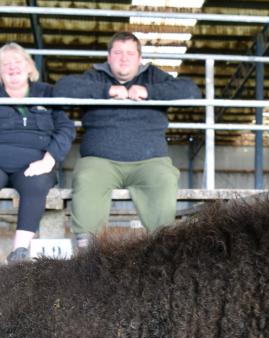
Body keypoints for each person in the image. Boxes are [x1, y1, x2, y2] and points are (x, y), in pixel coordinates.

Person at [53, 32, 201, 250]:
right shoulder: (96, 75)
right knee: (86, 178)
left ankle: (161, 248)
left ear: (139, 58)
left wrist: (149, 91)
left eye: (130, 53)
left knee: (165, 178)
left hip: (150, 160)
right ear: (109, 57)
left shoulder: (152, 76)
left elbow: (191, 91)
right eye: (118, 52)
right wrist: (107, 91)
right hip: (101, 160)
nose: (124, 58)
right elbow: (62, 89)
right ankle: (88, 251)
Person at [0, 42, 74, 263]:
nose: (12, 67)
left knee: (38, 184)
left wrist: (49, 160)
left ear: (29, 66)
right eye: (6, 63)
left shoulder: (47, 93)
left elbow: (66, 129)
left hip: (33, 164)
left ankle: (18, 252)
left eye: (18, 62)